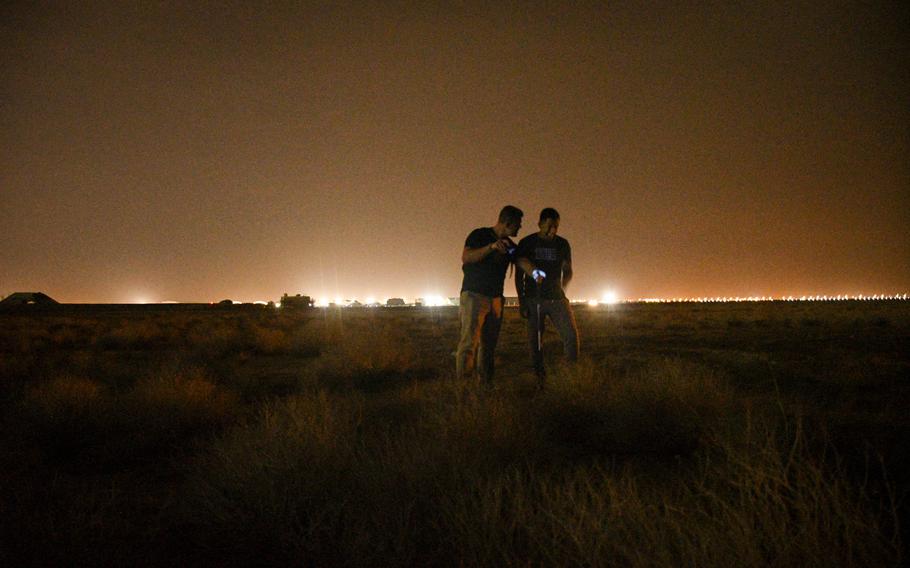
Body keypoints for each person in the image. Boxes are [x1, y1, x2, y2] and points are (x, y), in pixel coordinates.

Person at [455, 205, 526, 386]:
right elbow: (467, 257)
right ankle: (463, 388)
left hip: (495, 300)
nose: (520, 228)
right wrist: (492, 247)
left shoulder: (509, 245)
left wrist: (535, 273)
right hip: (474, 296)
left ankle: (485, 386)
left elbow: (519, 260)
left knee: (488, 348)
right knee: (469, 345)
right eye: (517, 224)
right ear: (507, 223)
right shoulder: (479, 235)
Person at [515, 208, 579, 387]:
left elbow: (567, 268)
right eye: (549, 226)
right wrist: (521, 300)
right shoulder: (527, 243)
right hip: (534, 298)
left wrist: (566, 279)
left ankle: (570, 374)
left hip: (557, 298)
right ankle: (539, 378)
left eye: (556, 227)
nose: (553, 231)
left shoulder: (562, 244)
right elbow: (519, 276)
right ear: (540, 223)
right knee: (536, 341)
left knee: (571, 337)